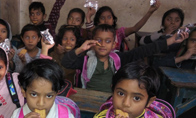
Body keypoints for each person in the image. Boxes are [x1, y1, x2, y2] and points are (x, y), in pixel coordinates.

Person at [61, 24, 189, 93]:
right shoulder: (85, 60)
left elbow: (144, 50)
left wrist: (171, 40)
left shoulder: (118, 59)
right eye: (99, 40)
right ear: (93, 42)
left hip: (110, 99)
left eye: (108, 41)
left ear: (113, 44)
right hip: (88, 97)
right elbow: (66, 62)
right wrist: (81, 49)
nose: (103, 44)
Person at [85, 1, 160, 51]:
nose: (106, 21)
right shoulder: (96, 33)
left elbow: (135, 28)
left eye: (109, 17)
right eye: (102, 18)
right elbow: (90, 27)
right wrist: (88, 16)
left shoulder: (118, 33)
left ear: (113, 20)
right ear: (98, 22)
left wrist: (150, 12)